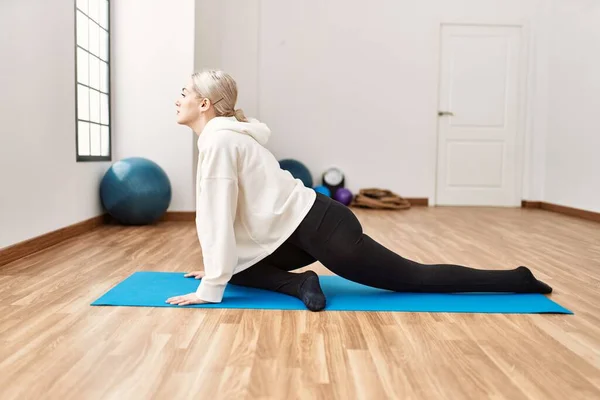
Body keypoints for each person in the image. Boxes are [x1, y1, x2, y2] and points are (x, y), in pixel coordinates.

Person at [166, 69, 552, 311]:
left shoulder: (219, 142)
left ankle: (515, 279)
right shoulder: (223, 138)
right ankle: (302, 283)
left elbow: (215, 217)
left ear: (204, 104)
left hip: (322, 228)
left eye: (184, 92)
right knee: (234, 270)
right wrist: (218, 271)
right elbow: (226, 217)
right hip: (297, 227)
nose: (177, 98)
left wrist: (209, 288)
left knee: (412, 279)